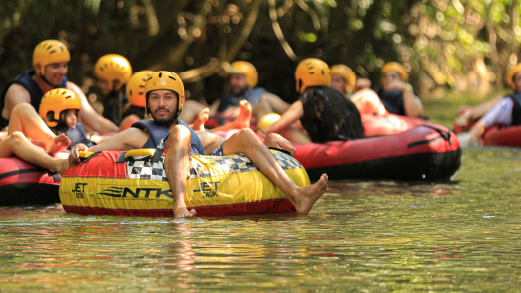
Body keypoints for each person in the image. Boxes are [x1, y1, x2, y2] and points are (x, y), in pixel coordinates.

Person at [67, 71, 328, 218]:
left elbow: (227, 140)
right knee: (181, 132)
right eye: (155, 98)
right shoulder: (137, 134)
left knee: (246, 135)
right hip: (159, 174)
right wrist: (81, 150)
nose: (161, 104)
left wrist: (267, 140)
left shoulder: (191, 132)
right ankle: (179, 203)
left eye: (167, 98)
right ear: (147, 104)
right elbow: (95, 149)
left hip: (206, 164)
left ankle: (297, 194)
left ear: (179, 102)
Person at [0, 40, 118, 133]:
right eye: (55, 66)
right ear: (39, 68)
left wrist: (123, 133)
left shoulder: (70, 89)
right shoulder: (19, 91)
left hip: (57, 141)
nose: (62, 71)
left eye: (64, 66)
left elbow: (97, 122)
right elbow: (26, 129)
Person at [262, 59, 363, 143]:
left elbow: (276, 127)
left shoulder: (309, 97)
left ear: (301, 80)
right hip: (354, 143)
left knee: (284, 130)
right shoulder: (338, 95)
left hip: (332, 148)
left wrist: (257, 135)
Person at [208, 61, 291, 120]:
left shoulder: (263, 96)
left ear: (250, 79)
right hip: (229, 135)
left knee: (263, 105)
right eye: (231, 78)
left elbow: (289, 110)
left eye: (238, 77)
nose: (233, 82)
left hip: (258, 136)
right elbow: (209, 112)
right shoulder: (224, 99)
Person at [94, 54, 132, 126]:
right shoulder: (112, 97)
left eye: (102, 81)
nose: (99, 84)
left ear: (115, 82)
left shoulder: (128, 102)